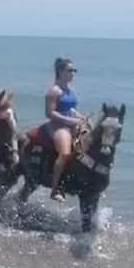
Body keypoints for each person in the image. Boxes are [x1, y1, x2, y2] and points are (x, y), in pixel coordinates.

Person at [45, 57, 84, 201]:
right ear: (60, 71)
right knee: (65, 153)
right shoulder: (54, 91)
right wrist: (70, 121)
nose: (73, 73)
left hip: (72, 124)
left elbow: (71, 109)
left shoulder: (70, 90)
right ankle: (55, 189)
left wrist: (82, 118)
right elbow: (50, 113)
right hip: (58, 126)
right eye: (70, 70)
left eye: (74, 70)